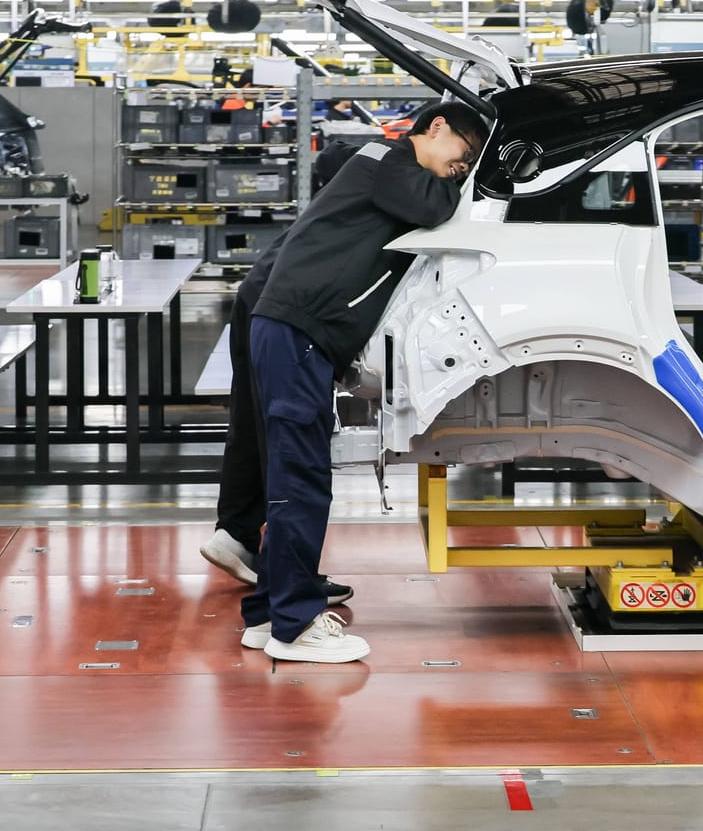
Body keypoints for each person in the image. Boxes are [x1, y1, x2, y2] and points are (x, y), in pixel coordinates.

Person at [239, 102, 488, 663]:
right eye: (464, 154)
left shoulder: (391, 168)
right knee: (300, 480)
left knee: (293, 473)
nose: (464, 168)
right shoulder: (385, 160)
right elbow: (435, 210)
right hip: (298, 332)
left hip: (299, 334)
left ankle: (268, 612)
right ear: (437, 126)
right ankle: (295, 625)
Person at [200, 140, 360, 599]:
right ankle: (285, 576)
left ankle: (235, 536)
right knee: (287, 438)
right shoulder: (359, 204)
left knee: (251, 424)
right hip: (279, 311)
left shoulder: (325, 209)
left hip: (257, 298)